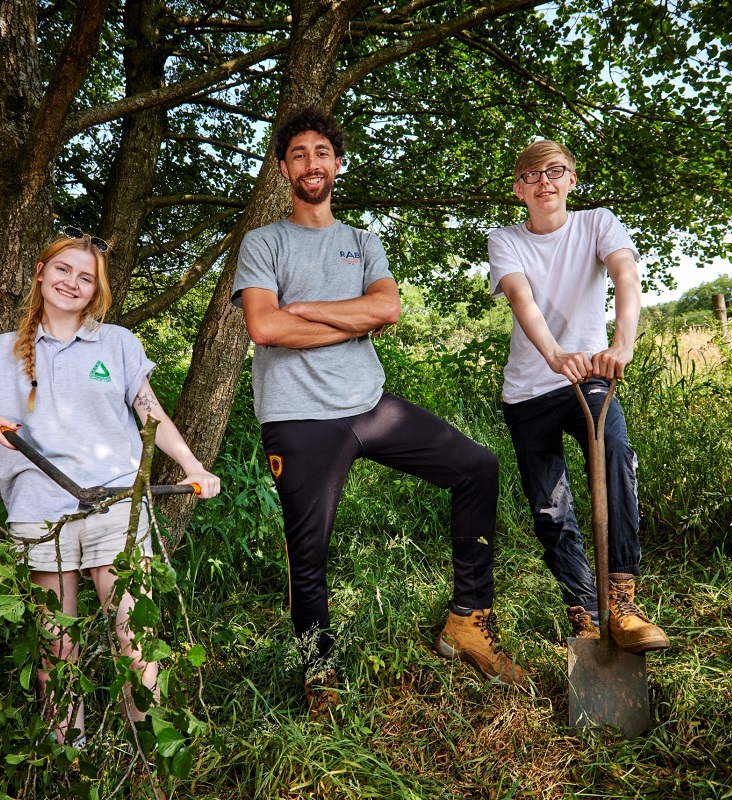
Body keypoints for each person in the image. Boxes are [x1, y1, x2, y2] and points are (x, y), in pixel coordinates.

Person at [232, 106, 523, 718]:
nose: (311, 163)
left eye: (321, 153)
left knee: (477, 467)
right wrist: (345, 315)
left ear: (338, 164)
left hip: (370, 406)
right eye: (298, 154)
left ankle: (466, 624)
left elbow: (387, 311)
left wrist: (304, 311)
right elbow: (263, 325)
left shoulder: (362, 241)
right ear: (284, 168)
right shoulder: (263, 242)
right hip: (296, 417)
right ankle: (321, 672)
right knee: (308, 555)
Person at [0, 228, 221, 747]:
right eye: (63, 269)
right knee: (54, 653)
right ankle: (69, 761)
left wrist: (194, 466)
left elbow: (153, 415)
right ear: (40, 273)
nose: (72, 283)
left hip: (116, 504)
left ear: (96, 292)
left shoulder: (118, 344)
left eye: (86, 278)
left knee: (136, 641)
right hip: (40, 511)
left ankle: (150, 757)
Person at [487, 139, 669, 653]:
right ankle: (584, 611)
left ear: (571, 180)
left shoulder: (597, 223)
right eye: (532, 175)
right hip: (528, 390)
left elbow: (626, 277)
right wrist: (552, 354)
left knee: (614, 453)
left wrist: (622, 345)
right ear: (518, 189)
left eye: (555, 171)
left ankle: (622, 600)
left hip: (588, 377)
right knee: (550, 506)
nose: (544, 181)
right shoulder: (504, 239)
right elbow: (522, 300)